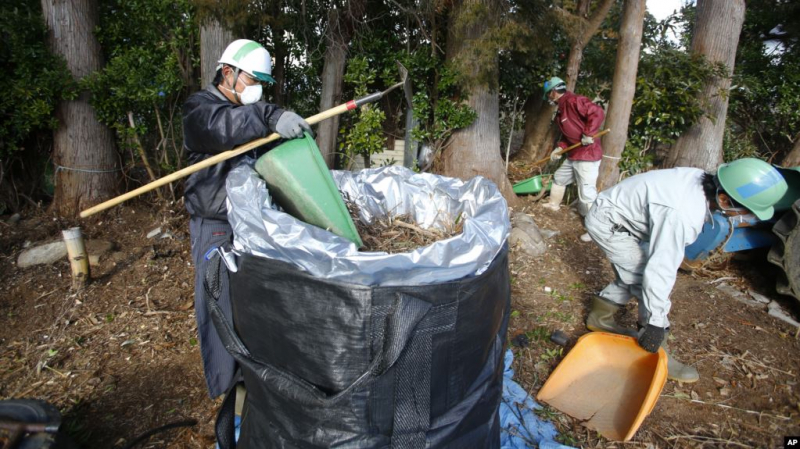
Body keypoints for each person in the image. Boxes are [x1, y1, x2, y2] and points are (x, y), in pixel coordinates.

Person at [182, 39, 313, 398]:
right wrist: (271, 116)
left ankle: (256, 384)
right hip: (216, 225)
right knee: (219, 303)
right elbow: (224, 127)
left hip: (252, 226)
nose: (256, 89)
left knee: (253, 305)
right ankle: (230, 396)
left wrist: (292, 139)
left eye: (261, 84)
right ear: (228, 72)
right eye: (252, 80)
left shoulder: (248, 116)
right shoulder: (202, 110)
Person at [584, 158, 787, 383]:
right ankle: (653, 348)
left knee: (633, 270)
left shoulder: (701, 181)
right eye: (746, 211)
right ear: (724, 199)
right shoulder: (682, 213)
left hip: (628, 219)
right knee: (643, 279)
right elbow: (660, 269)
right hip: (610, 224)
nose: (748, 217)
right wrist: (656, 324)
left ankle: (599, 317)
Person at [541, 77, 605, 243]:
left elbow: (597, 113)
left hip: (587, 155)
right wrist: (561, 147)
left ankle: (595, 231)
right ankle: (553, 204)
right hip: (574, 154)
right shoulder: (561, 110)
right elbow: (567, 135)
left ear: (554, 92)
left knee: (587, 194)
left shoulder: (574, 101)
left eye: (549, 95)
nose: (549, 98)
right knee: (560, 178)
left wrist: (589, 134)